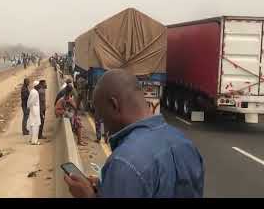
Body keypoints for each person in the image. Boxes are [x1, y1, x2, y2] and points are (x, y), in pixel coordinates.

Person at [64, 69, 204, 198]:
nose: (103, 125)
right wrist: (108, 186)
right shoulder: (186, 144)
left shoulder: (124, 162)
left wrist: (88, 196)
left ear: (114, 105)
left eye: (102, 116)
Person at [26, 80, 41, 145]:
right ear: (36, 86)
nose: (40, 86)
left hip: (33, 110)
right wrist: (32, 108)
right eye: (39, 85)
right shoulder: (35, 92)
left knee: (32, 125)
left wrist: (29, 107)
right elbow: (31, 102)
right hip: (35, 111)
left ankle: (31, 139)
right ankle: (34, 141)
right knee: (36, 125)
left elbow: (29, 101)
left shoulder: (32, 91)